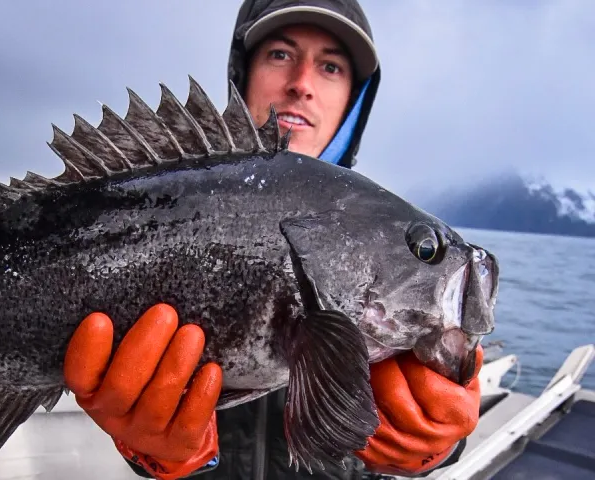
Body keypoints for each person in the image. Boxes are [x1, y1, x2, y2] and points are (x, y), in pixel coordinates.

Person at [62, 1, 484, 479]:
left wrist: (437, 446)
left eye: (330, 66)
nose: (301, 83)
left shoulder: (387, 246)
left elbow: (442, 394)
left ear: (353, 99)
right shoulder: (158, 189)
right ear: (242, 73)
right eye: (280, 55)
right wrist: (159, 455)